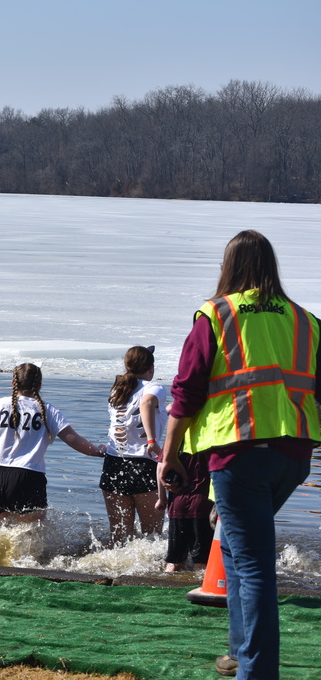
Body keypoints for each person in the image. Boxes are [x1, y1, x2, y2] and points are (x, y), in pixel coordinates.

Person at [158, 230, 319, 680]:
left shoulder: (217, 315)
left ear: (228, 266)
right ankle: (239, 651)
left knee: (252, 567)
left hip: (239, 456)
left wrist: (167, 455)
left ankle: (257, 671)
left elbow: (187, 391)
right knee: (233, 542)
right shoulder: (305, 320)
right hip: (293, 456)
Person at [0, 363, 105, 528]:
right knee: (30, 543)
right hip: (28, 478)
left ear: (13, 383)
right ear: (39, 385)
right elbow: (74, 440)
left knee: (2, 539)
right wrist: (99, 451)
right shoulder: (48, 410)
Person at [100, 346, 166, 545]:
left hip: (113, 464)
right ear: (151, 368)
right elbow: (146, 404)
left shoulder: (117, 388)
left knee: (119, 538)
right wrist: (152, 441)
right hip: (142, 466)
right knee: (152, 537)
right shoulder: (154, 387)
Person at [160, 446, 214, 572]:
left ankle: (165, 587)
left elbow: (161, 468)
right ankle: (198, 587)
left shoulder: (176, 440)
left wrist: (162, 497)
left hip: (177, 504)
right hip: (203, 505)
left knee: (174, 562)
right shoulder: (210, 440)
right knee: (201, 562)